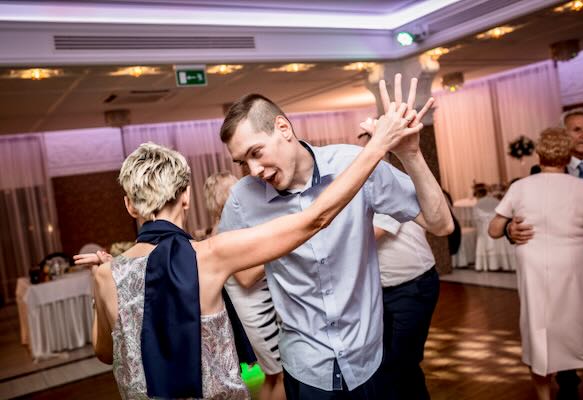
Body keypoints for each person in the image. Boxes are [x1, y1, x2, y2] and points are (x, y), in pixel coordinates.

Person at [74, 96, 421, 399]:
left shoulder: (105, 275)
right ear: (186, 196)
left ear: (129, 206)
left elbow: (106, 353)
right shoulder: (210, 255)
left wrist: (106, 274)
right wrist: (377, 146)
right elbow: (314, 219)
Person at [218, 74, 453, 399]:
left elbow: (441, 224)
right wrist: (281, 242)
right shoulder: (243, 198)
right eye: (243, 162)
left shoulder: (352, 164)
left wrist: (411, 154)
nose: (254, 170)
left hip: (368, 357)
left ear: (283, 128)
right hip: (306, 367)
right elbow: (242, 274)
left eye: (256, 152)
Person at [489, 128, 583, 400]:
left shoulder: (520, 187)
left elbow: (493, 229)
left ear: (539, 155)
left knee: (538, 333)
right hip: (576, 268)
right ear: (568, 156)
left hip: (535, 269)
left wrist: (510, 227)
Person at [357, 130, 439, 399]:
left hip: (413, 286)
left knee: (402, 363)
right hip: (385, 290)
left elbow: (367, 235)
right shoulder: (364, 189)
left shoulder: (391, 186)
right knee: (389, 363)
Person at [204, 171, 285, 400]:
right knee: (281, 376)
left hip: (257, 308)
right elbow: (246, 278)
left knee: (272, 376)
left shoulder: (227, 228)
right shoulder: (226, 232)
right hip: (258, 314)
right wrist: (280, 251)